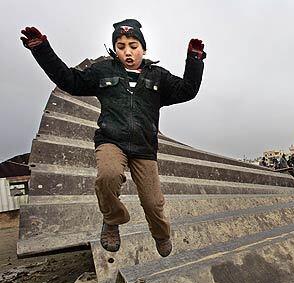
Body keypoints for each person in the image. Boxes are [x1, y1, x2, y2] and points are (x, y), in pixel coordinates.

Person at [21, 20, 205, 257]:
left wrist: (195, 59)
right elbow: (69, 80)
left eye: (133, 45)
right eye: (121, 46)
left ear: (143, 48)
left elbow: (187, 90)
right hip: (111, 140)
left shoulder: (158, 77)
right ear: (115, 49)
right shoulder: (103, 71)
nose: (127, 51)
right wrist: (41, 49)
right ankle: (112, 221)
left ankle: (161, 235)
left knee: (153, 203)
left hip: (144, 147)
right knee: (108, 175)